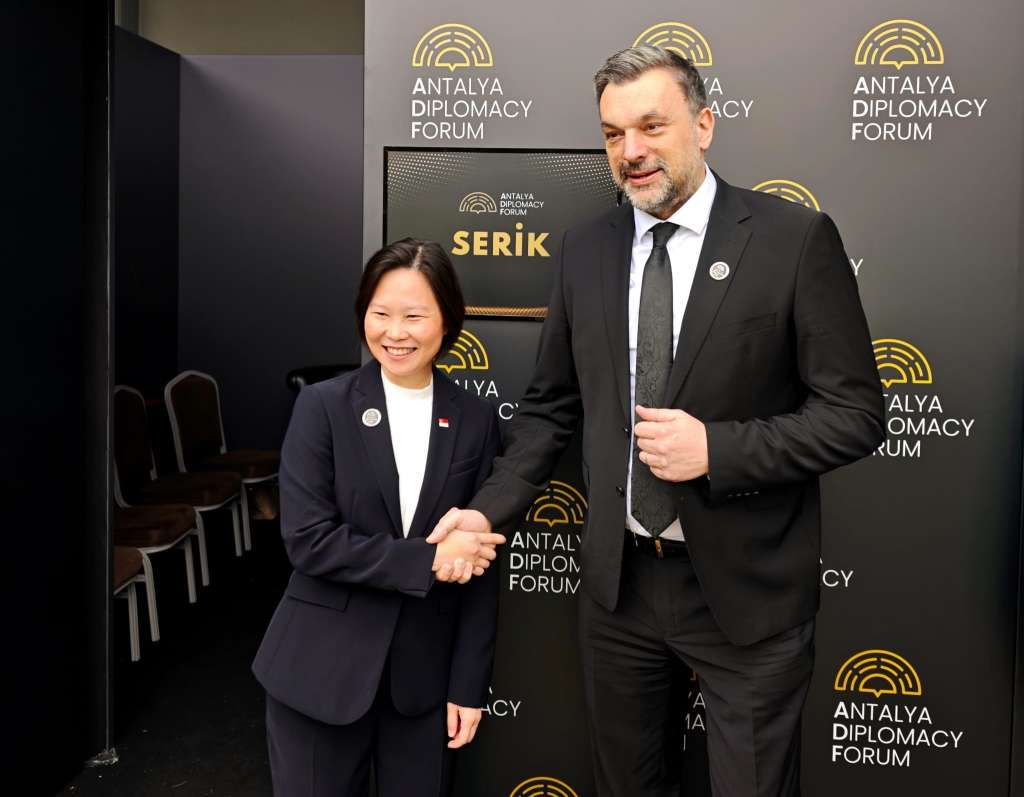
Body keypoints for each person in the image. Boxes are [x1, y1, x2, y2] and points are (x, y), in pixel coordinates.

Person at [427, 46, 884, 796]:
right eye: (613, 134)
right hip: (621, 590)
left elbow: (856, 414)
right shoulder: (585, 249)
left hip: (747, 591)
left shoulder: (794, 239)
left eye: (651, 126)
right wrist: (484, 512)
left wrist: (718, 449)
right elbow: (550, 408)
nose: (631, 151)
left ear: (703, 125)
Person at [253, 238, 506, 796]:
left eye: (414, 316)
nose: (395, 332)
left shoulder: (476, 419)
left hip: (423, 686)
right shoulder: (322, 406)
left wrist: (468, 685)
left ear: (447, 320)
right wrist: (429, 560)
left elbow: (480, 566)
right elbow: (308, 541)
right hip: (319, 674)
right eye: (380, 313)